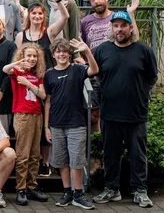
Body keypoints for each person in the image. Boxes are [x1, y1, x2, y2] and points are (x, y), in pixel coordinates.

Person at [92, 11, 158, 208]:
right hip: (110, 113)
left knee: (138, 154)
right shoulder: (103, 50)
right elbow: (98, 76)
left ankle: (140, 191)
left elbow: (152, 78)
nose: (119, 29)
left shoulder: (143, 51)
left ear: (131, 28)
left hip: (136, 114)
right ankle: (112, 189)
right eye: (116, 26)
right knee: (110, 154)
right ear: (112, 29)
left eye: (123, 25)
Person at [43, 38, 98, 210]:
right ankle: (67, 192)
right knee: (62, 161)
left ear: (69, 53)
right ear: (53, 54)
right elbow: (48, 101)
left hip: (76, 123)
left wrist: (86, 51)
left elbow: (95, 70)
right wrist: (46, 127)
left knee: (77, 160)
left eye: (64, 51)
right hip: (56, 124)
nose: (61, 54)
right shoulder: (49, 74)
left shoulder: (78, 70)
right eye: (58, 52)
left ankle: (78, 194)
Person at [3, 43, 48, 206]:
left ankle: (32, 186)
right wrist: (17, 63)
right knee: (23, 154)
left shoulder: (38, 75)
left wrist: (28, 84)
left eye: (34, 56)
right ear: (22, 56)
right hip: (22, 115)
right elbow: (5, 69)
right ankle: (20, 189)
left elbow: (42, 94)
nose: (31, 59)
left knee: (35, 155)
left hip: (37, 115)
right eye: (28, 55)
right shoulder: (17, 72)